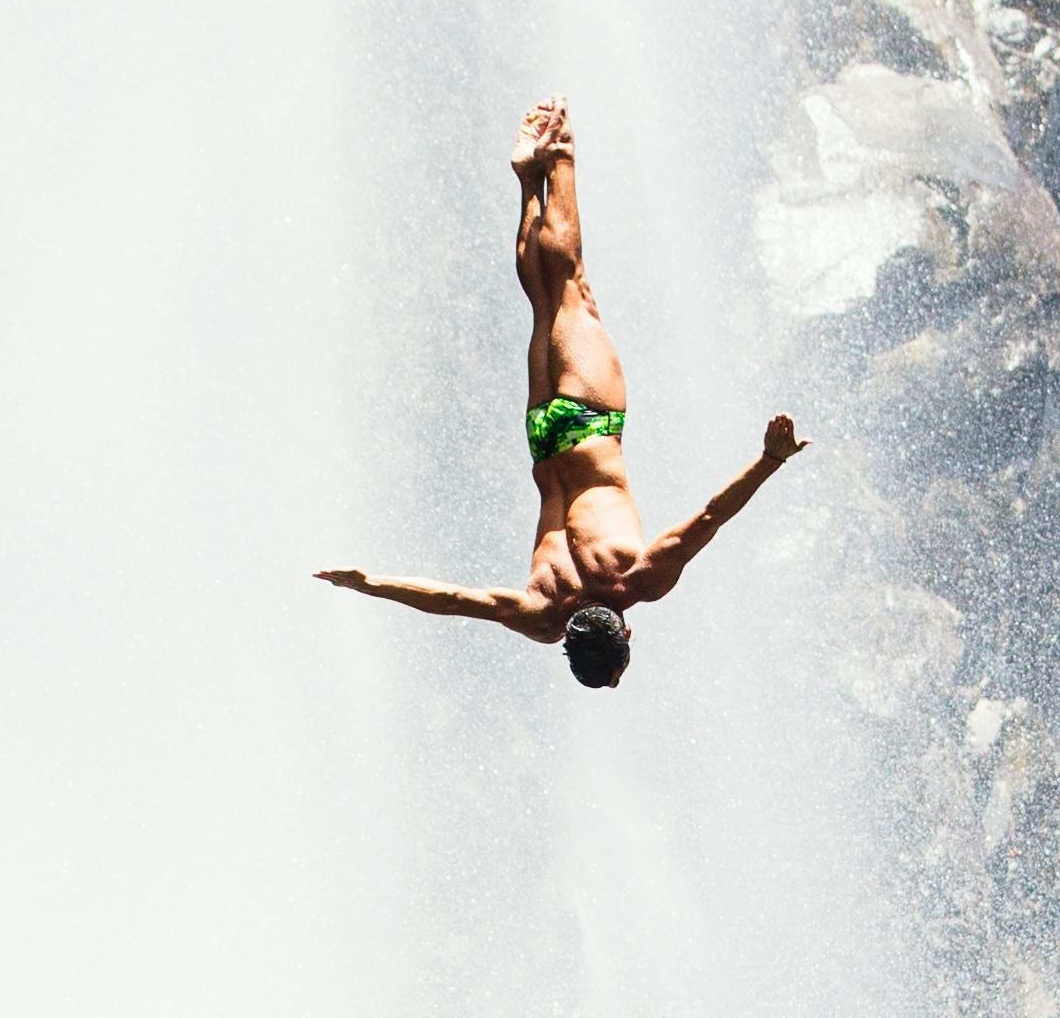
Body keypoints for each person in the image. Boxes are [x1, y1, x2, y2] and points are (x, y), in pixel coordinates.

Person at [317, 101, 805, 687]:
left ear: (624, 635)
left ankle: (560, 154)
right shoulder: (541, 616)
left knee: (570, 285)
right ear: (569, 647)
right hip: (544, 439)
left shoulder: (638, 580)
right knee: (543, 303)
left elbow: (709, 517)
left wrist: (769, 461)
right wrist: (368, 583)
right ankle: (529, 181)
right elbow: (451, 598)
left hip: (591, 422)